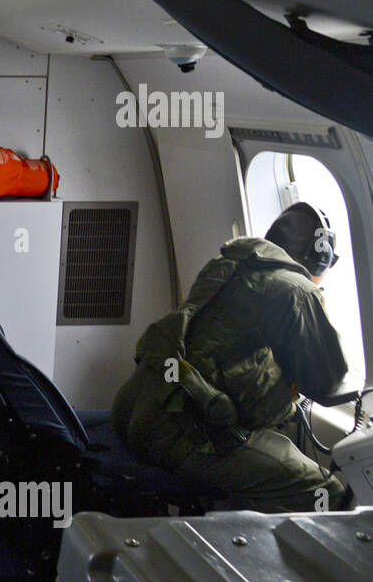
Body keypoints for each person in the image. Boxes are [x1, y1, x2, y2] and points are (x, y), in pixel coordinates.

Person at [111, 202, 354, 512]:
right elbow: (326, 377)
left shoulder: (229, 263)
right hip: (179, 435)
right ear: (318, 261)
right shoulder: (296, 289)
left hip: (133, 407)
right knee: (329, 492)